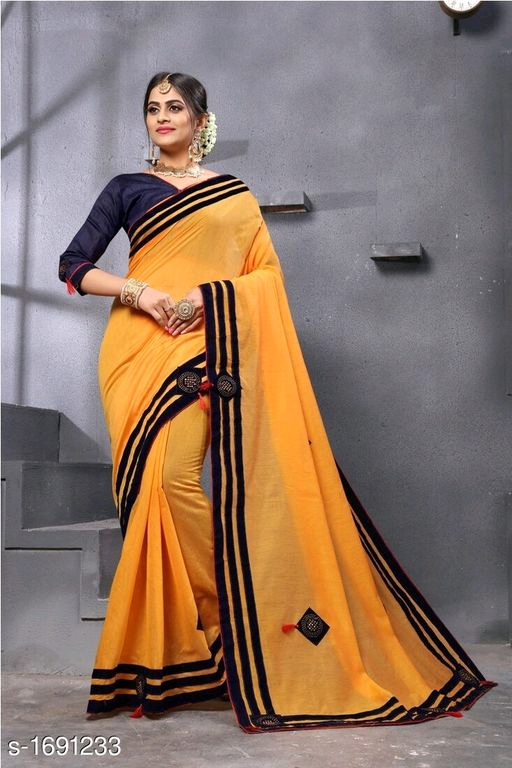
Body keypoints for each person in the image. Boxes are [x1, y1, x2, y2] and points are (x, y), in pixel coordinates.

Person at [58, 72, 495, 731]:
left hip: (207, 346)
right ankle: (211, 647)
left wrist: (207, 296)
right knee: (149, 491)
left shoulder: (233, 196)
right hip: (135, 351)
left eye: (174, 107)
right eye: (152, 108)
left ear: (201, 118)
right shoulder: (127, 188)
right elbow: (73, 264)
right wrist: (137, 292)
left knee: (173, 482)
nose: (161, 117)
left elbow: (264, 276)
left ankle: (240, 624)